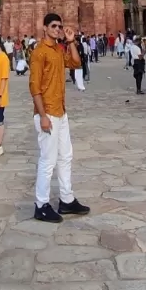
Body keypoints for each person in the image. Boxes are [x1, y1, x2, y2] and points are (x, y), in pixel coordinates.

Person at [28, 12, 90, 223]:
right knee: (48, 160)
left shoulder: (58, 49)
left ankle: (66, 199)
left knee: (66, 156)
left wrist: (71, 41)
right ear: (44, 28)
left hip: (60, 111)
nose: (57, 29)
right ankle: (41, 204)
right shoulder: (39, 53)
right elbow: (34, 87)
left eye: (59, 27)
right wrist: (43, 116)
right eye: (53, 26)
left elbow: (75, 63)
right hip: (48, 113)